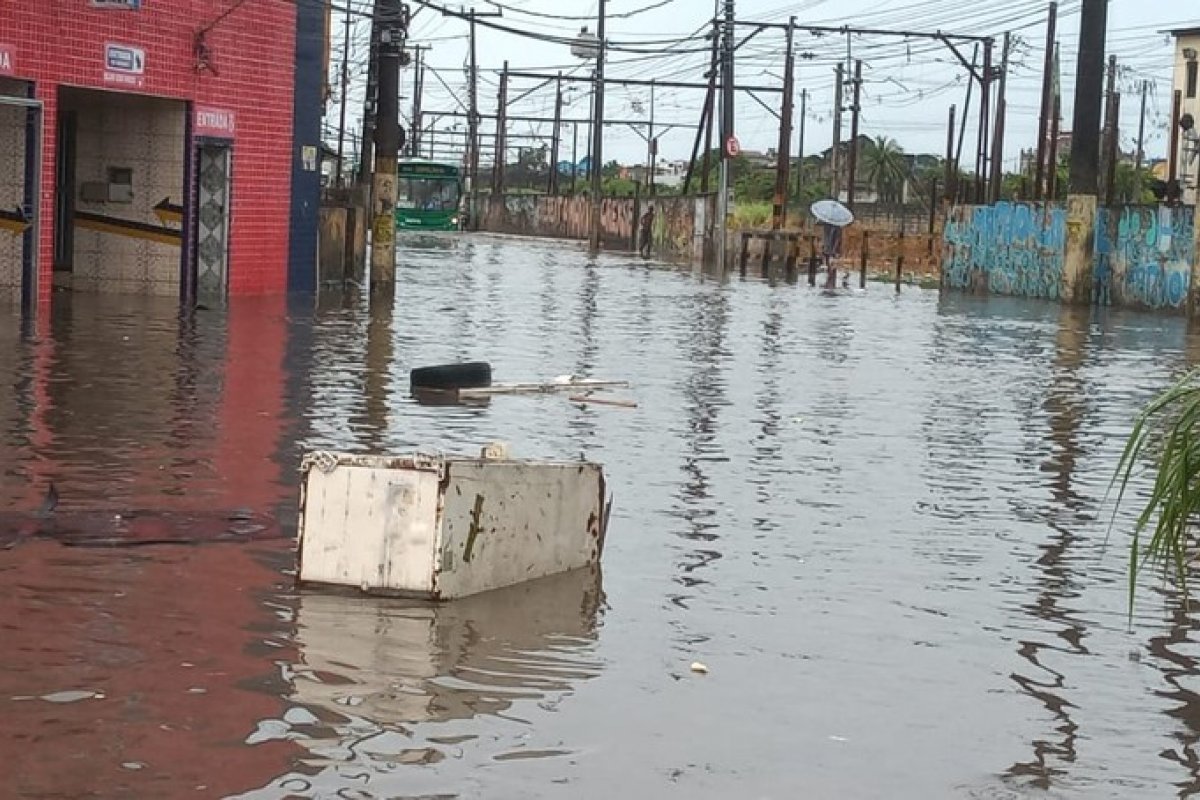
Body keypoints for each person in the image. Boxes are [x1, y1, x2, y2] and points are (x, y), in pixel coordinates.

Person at [822, 221, 843, 289]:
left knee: (832, 266)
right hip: (827, 249)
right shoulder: (826, 225)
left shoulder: (837, 227)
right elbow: (825, 238)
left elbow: (838, 239)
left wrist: (834, 250)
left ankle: (830, 281)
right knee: (828, 265)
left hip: (833, 251)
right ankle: (829, 281)